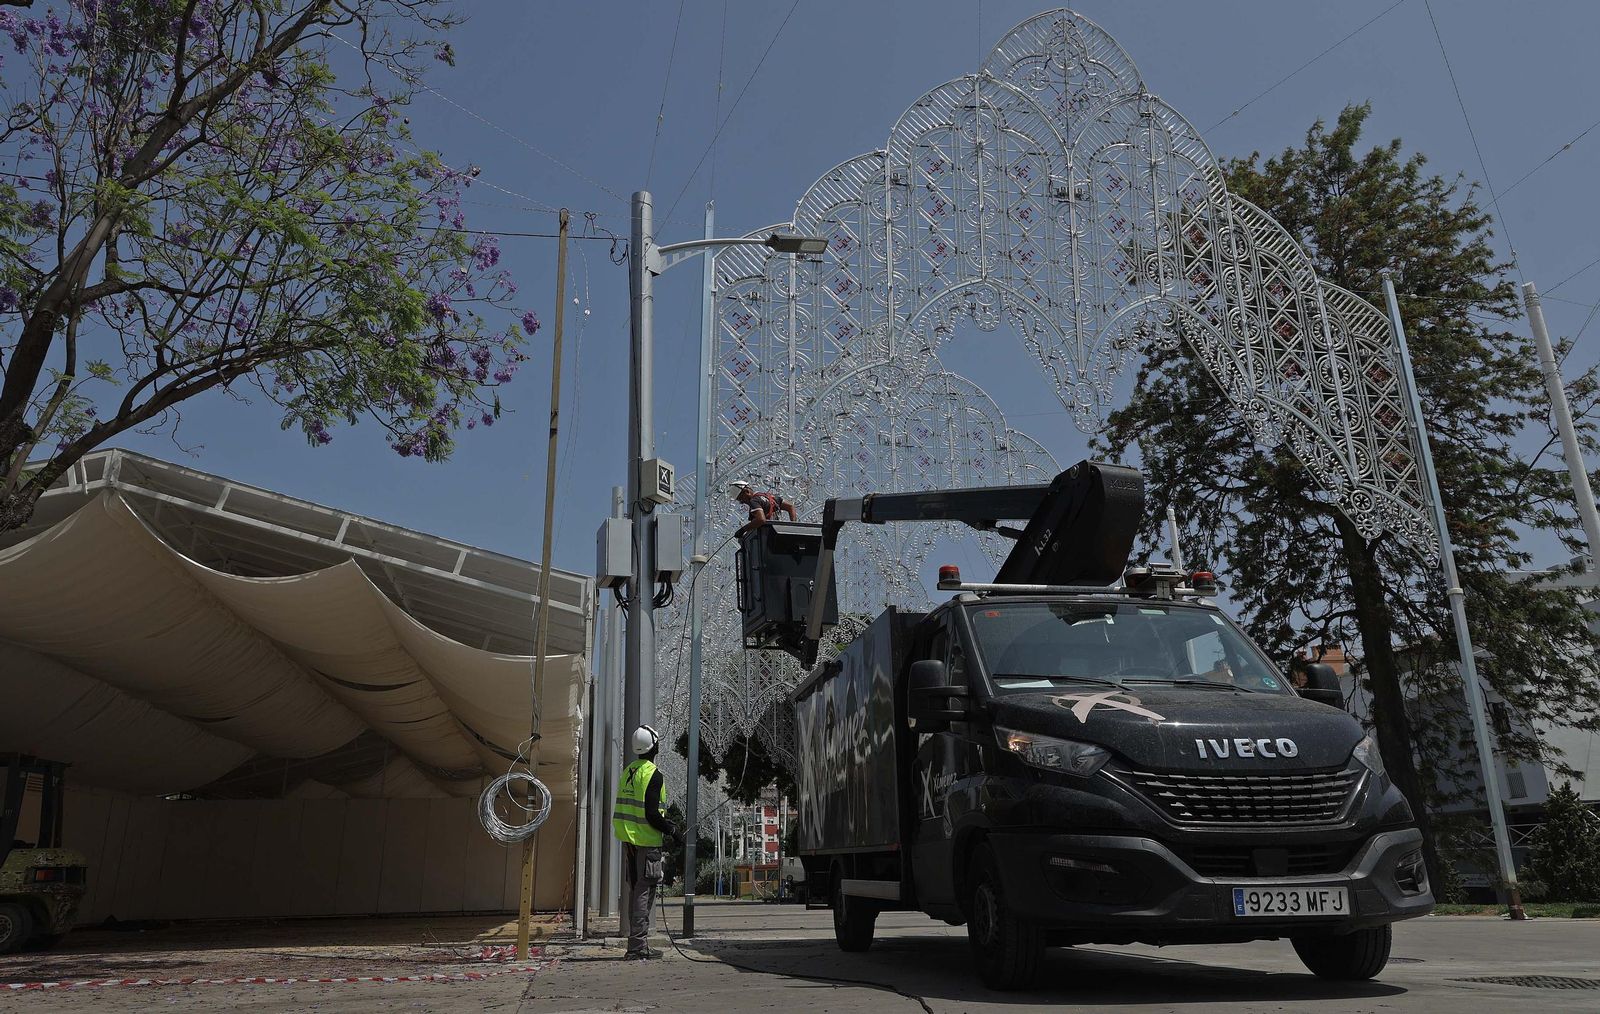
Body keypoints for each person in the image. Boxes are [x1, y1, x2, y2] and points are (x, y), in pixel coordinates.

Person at [613, 724, 675, 960]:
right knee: (644, 891)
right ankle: (637, 947)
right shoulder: (653, 774)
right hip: (646, 840)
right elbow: (651, 814)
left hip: (628, 838)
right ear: (655, 746)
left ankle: (637, 944)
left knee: (635, 889)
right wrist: (672, 831)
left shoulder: (629, 770)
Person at [730, 480, 797, 538]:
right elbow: (790, 506)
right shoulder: (769, 497)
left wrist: (743, 530)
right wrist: (793, 526)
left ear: (747, 492)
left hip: (768, 538)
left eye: (741, 499)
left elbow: (761, 519)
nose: (742, 502)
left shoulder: (754, 501)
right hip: (780, 532)